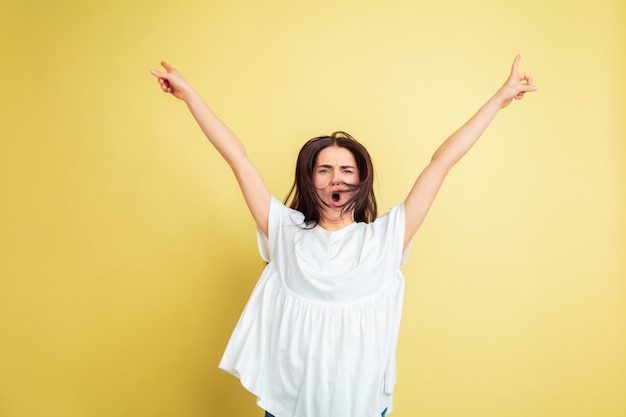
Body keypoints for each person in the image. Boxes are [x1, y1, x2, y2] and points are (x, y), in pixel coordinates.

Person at [151, 55, 536, 417]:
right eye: (325, 169)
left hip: (363, 403)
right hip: (289, 403)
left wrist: (499, 100)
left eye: (347, 170)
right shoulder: (284, 232)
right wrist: (191, 97)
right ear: (309, 179)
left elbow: (442, 163)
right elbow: (238, 159)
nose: (337, 177)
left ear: (361, 180)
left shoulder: (386, 238)